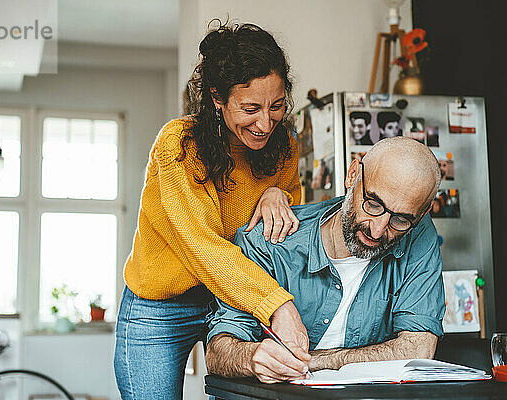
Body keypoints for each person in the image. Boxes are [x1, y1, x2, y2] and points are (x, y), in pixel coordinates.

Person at [114, 22, 310, 399]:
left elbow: (287, 223)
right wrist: (277, 304)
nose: (265, 123)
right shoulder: (179, 146)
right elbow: (203, 247)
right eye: (250, 108)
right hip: (160, 307)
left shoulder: (284, 144)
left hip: (234, 301)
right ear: (218, 99)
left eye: (277, 106)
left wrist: (278, 194)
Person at [204, 137, 445, 383]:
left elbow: (418, 350)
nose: (378, 230)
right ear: (352, 175)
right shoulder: (269, 241)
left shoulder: (418, 233)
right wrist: (252, 357)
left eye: (400, 220)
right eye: (373, 204)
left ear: (421, 214)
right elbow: (217, 353)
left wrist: (311, 361)